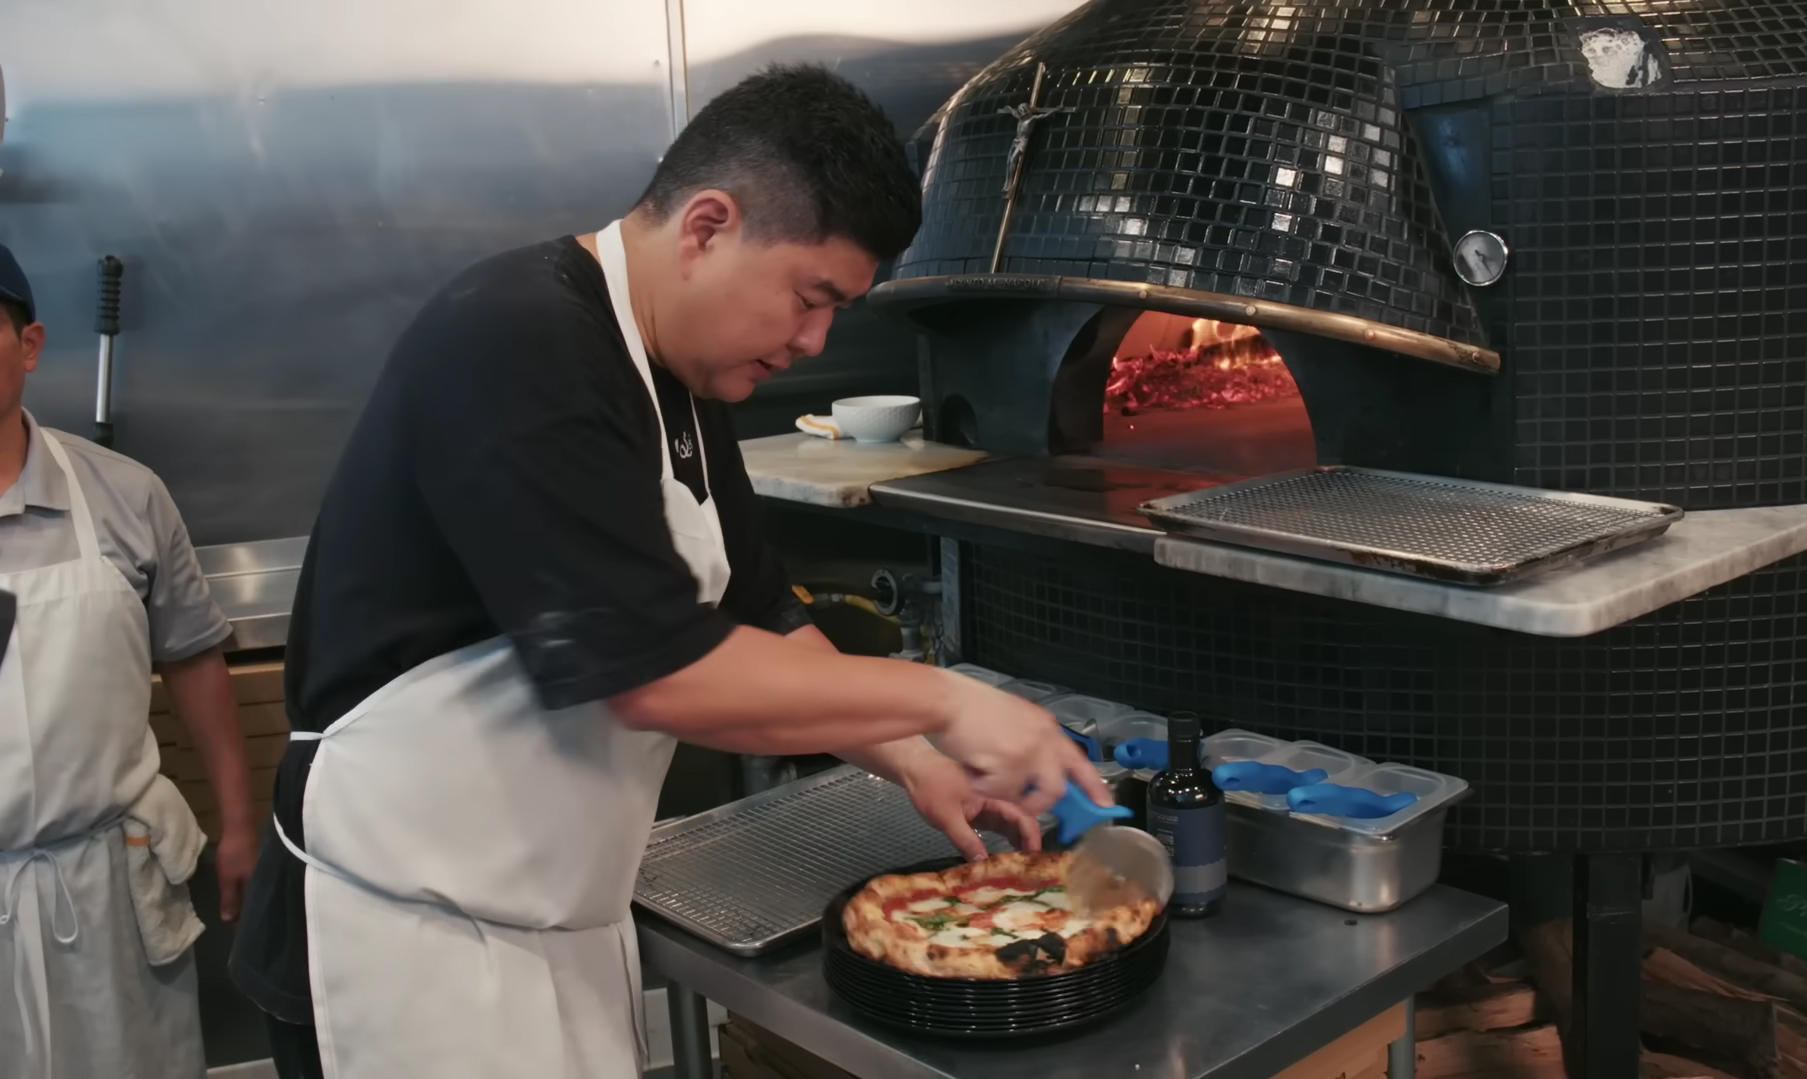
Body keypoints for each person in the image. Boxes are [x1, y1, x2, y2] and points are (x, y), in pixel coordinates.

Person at [229, 64, 1106, 1078]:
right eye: (810, 298)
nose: (816, 339)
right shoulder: (516, 337)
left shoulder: (677, 378)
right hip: (405, 938)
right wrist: (945, 697)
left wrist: (913, 757)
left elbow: (761, 612)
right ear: (705, 226)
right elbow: (651, 670)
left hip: (548, 920)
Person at [0, 242, 259, 1079]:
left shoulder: (124, 494)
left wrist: (238, 822)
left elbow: (190, 656)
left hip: (112, 883)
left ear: (29, 345)